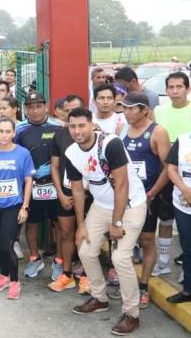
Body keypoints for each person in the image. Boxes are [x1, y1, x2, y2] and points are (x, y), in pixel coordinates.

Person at [65, 107, 147, 336]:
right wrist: (80, 224)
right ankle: (99, 298)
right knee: (85, 249)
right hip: (101, 206)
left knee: (120, 258)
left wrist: (117, 223)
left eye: (82, 125)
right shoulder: (72, 152)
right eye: (72, 126)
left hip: (130, 205)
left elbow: (122, 185)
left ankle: (132, 313)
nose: (77, 131)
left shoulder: (110, 144)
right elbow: (78, 191)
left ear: (91, 124)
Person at [120, 92, 170, 308]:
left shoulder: (157, 132)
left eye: (132, 108)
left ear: (145, 110)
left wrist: (151, 194)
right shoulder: (121, 130)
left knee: (147, 240)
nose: (127, 112)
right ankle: (128, 286)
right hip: (125, 198)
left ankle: (143, 286)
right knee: (125, 243)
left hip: (149, 197)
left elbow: (168, 168)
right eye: (125, 108)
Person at [0, 118, 35, 300]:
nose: (4, 135)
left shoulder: (23, 153)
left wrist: (25, 207)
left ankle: (14, 281)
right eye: (0, 131)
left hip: (14, 205)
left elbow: (28, 180)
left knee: (7, 244)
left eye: (7, 131)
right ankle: (3, 276)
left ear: (13, 133)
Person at [14, 92, 62, 280]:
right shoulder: (19, 129)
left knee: (58, 224)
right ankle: (34, 258)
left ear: (46, 106)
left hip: (54, 184)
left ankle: (59, 260)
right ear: (25, 109)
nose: (34, 110)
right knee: (31, 223)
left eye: (38, 106)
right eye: (30, 106)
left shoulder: (58, 127)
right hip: (30, 186)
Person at [49, 94, 91, 294]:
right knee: (66, 233)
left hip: (89, 192)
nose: (71, 115)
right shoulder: (60, 135)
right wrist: (60, 193)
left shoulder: (95, 134)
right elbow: (55, 167)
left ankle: (86, 276)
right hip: (66, 191)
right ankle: (66, 274)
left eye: (75, 110)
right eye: (67, 111)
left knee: (86, 235)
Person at [154, 72, 191, 275]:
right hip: (165, 172)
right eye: (171, 87)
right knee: (166, 219)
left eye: (179, 86)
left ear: (188, 89)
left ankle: (188, 267)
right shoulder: (159, 111)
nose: (175, 91)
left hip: (188, 175)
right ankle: (164, 261)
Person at [165, 129, 191, 304]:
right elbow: (171, 169)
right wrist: (185, 190)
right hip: (184, 205)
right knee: (188, 248)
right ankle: (188, 290)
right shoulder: (182, 140)